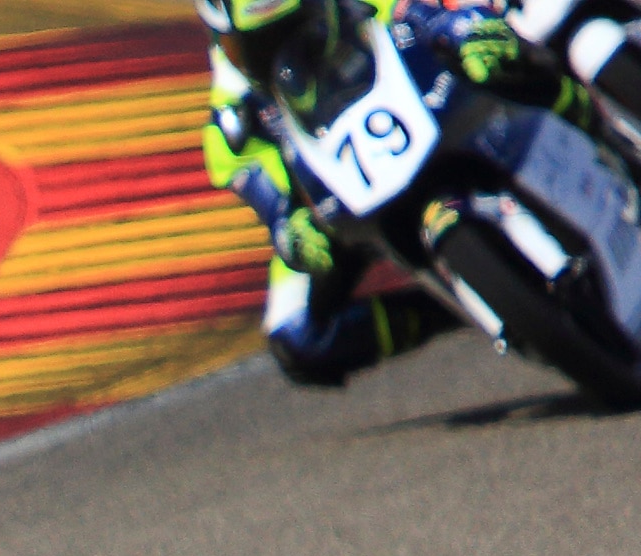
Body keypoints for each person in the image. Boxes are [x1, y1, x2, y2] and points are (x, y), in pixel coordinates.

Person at [202, 0, 601, 388]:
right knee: (298, 339)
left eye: (292, 28)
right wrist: (287, 224)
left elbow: (404, 8)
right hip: (330, 187)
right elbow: (240, 162)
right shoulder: (231, 93)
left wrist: (458, 27)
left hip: (407, 94)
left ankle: (596, 118)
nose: (280, 50)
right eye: (257, 46)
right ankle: (456, 310)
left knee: (501, 45)